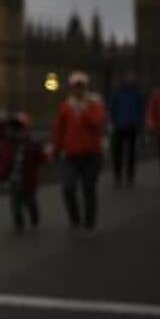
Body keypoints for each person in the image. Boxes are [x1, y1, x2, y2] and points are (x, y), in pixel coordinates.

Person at [50, 71, 107, 230]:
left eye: (81, 86)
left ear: (86, 87)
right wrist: (55, 150)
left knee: (88, 188)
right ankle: (74, 217)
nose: (78, 90)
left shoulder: (95, 104)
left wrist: (84, 109)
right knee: (68, 187)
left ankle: (90, 222)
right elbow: (59, 129)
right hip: (70, 155)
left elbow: (97, 123)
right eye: (75, 86)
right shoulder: (66, 106)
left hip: (91, 155)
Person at [0, 112, 44, 233]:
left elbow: (41, 158)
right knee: (15, 203)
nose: (16, 132)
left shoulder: (31, 144)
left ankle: (34, 219)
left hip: (28, 181)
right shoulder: (8, 143)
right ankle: (19, 225)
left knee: (29, 201)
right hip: (13, 180)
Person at [107, 72, 145, 188]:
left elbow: (141, 109)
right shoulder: (118, 93)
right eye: (129, 79)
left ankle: (130, 177)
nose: (130, 81)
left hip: (132, 126)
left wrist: (139, 123)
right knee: (118, 153)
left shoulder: (137, 93)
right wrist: (112, 121)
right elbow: (112, 108)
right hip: (119, 126)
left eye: (132, 79)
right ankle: (118, 177)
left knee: (131, 154)